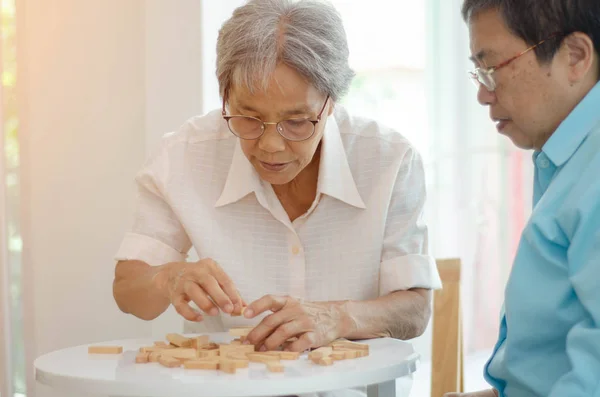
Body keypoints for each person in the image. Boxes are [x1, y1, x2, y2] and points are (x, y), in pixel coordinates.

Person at [113, 0, 440, 361]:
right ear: (225, 95)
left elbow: (415, 311)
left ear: (330, 103)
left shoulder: (389, 160)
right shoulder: (183, 156)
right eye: (248, 117)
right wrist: (168, 278)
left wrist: (338, 317)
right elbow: (128, 290)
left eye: (297, 122)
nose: (270, 145)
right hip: (229, 388)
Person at [445, 1, 600, 396]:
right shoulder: (566, 159)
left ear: (576, 57)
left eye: (493, 69)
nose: (482, 94)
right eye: (478, 72)